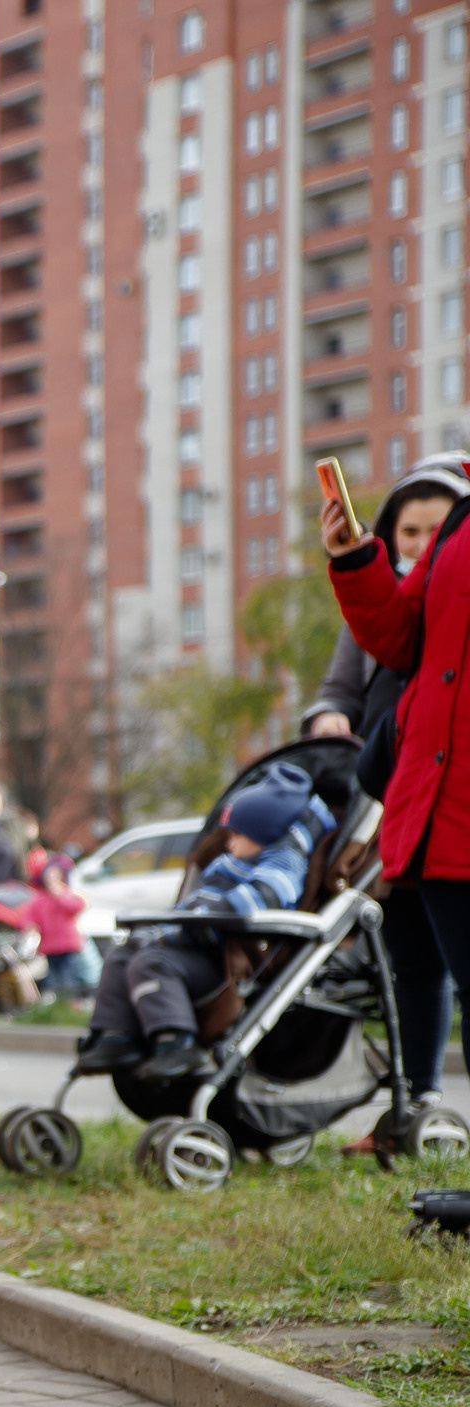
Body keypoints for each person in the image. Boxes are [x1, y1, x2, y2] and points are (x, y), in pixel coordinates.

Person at [303, 455, 467, 1110]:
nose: (421, 542)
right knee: (415, 966)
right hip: (411, 798)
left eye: (430, 530)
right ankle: (418, 1099)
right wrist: (353, 557)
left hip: (436, 793)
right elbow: (398, 637)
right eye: (408, 532)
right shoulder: (458, 530)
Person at [76, 762, 332, 1081]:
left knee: (151, 962)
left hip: (225, 963)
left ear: (264, 834)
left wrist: (195, 919)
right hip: (194, 946)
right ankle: (116, 1035)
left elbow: (258, 901)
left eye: (237, 835)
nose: (228, 843)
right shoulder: (233, 862)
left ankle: (178, 1042)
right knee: (122, 954)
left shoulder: (281, 867)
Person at [33, 857, 97, 996]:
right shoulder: (41, 899)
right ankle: (59, 1004)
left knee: (69, 978)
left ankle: (72, 1003)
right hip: (50, 946)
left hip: (68, 946)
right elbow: (30, 916)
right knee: (53, 978)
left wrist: (61, 896)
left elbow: (78, 906)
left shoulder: (68, 894)